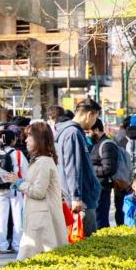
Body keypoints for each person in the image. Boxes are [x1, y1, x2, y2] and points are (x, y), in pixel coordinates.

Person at [18, 122, 69, 261]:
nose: (26, 140)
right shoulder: (41, 161)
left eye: (29, 136)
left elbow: (39, 192)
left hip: (41, 219)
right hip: (39, 217)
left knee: (30, 259)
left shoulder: (43, 162)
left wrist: (19, 184)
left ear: (39, 139)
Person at [56, 99, 102, 237]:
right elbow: (72, 167)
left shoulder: (71, 132)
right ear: (90, 115)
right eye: (96, 117)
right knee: (85, 241)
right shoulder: (73, 133)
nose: (95, 121)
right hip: (81, 199)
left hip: (79, 197)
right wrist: (76, 197)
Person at [0, 128, 26, 254]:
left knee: (1, 219)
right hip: (15, 189)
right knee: (18, 219)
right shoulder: (18, 154)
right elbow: (25, 173)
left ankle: (2, 245)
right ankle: (17, 244)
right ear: (13, 140)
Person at [87, 119, 119, 231]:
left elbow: (108, 169)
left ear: (96, 130)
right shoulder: (97, 144)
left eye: (88, 132)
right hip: (97, 187)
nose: (88, 135)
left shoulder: (106, 145)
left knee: (100, 220)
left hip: (103, 188)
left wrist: (89, 169)